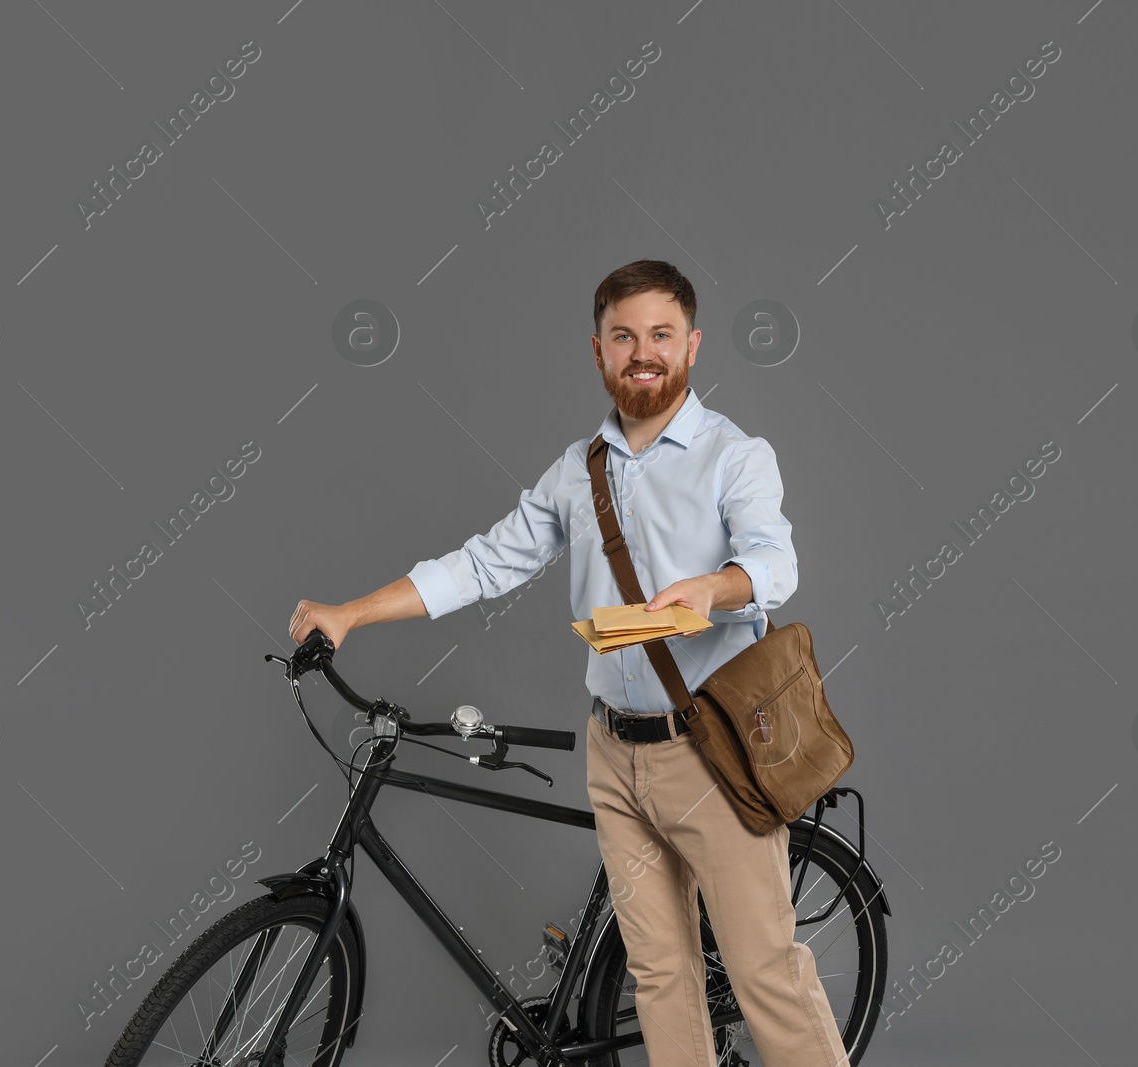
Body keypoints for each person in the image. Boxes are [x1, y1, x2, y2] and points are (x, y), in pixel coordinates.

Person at [288, 259, 850, 1067]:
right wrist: (353, 612)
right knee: (658, 972)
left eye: (661, 335)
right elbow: (483, 563)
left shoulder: (735, 456)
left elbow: (777, 564)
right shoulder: (579, 471)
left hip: (711, 749)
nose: (643, 352)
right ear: (598, 351)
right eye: (625, 336)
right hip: (614, 755)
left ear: (692, 346)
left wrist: (713, 586)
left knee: (762, 969)